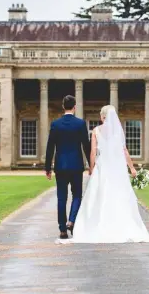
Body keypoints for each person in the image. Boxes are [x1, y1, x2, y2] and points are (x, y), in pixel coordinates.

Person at [58, 105, 149, 244]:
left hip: (102, 166)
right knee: (118, 195)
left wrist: (91, 168)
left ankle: (98, 225)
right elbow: (124, 151)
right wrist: (132, 168)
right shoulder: (117, 132)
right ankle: (119, 226)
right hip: (116, 167)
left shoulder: (96, 131)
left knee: (99, 196)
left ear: (102, 117)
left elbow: (93, 152)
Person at [45, 95, 91, 240]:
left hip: (60, 166)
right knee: (77, 195)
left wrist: (47, 168)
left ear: (63, 106)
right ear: (75, 107)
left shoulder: (55, 124)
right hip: (77, 165)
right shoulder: (80, 124)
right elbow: (86, 145)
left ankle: (63, 230)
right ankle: (71, 220)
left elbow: (50, 147)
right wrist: (91, 165)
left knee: (61, 198)